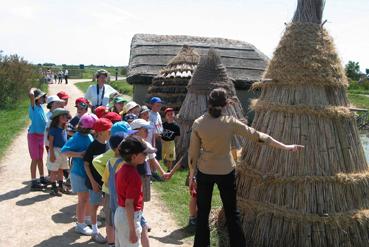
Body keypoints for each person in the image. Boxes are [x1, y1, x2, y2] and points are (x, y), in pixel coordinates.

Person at [188, 88, 304, 247]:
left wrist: (192, 175)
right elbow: (258, 136)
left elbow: (193, 155)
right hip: (226, 172)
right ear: (226, 104)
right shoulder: (230, 122)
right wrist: (285, 146)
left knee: (202, 214)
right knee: (232, 213)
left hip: (205, 172)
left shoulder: (198, 123)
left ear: (209, 103)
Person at [114, 136, 156, 247]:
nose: (146, 156)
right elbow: (129, 203)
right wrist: (132, 230)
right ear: (133, 157)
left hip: (120, 214)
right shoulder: (134, 176)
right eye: (144, 154)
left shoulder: (122, 168)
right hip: (129, 218)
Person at [62, 113, 97, 236]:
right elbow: (64, 151)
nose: (85, 130)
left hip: (86, 173)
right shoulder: (76, 137)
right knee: (82, 200)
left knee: (87, 198)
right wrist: (79, 154)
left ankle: (86, 218)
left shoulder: (88, 136)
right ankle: (80, 225)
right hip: (78, 173)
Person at [94, 133, 126, 247]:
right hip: (121, 197)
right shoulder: (126, 163)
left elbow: (106, 181)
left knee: (110, 221)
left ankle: (111, 243)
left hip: (109, 194)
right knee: (120, 221)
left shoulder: (110, 162)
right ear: (119, 147)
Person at [84, 118, 112, 244]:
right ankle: (95, 232)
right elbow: (86, 164)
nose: (110, 131)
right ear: (100, 132)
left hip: (105, 182)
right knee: (94, 206)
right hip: (94, 183)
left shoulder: (108, 144)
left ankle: (110, 233)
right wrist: (93, 182)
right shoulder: (93, 145)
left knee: (106, 206)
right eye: (108, 130)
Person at [28, 88, 48, 190]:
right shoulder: (34, 107)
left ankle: (41, 177)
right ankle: (33, 182)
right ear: (36, 99)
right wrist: (34, 89)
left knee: (40, 158)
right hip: (33, 136)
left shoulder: (40, 107)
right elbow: (31, 94)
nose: (43, 98)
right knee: (35, 159)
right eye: (41, 97)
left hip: (41, 136)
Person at [47, 108, 70, 196]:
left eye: (66, 116)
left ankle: (60, 186)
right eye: (63, 116)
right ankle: (53, 188)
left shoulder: (64, 127)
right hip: (55, 151)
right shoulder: (53, 129)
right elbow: (51, 142)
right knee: (53, 170)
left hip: (63, 151)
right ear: (57, 118)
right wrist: (52, 154)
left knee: (61, 169)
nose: (65, 117)